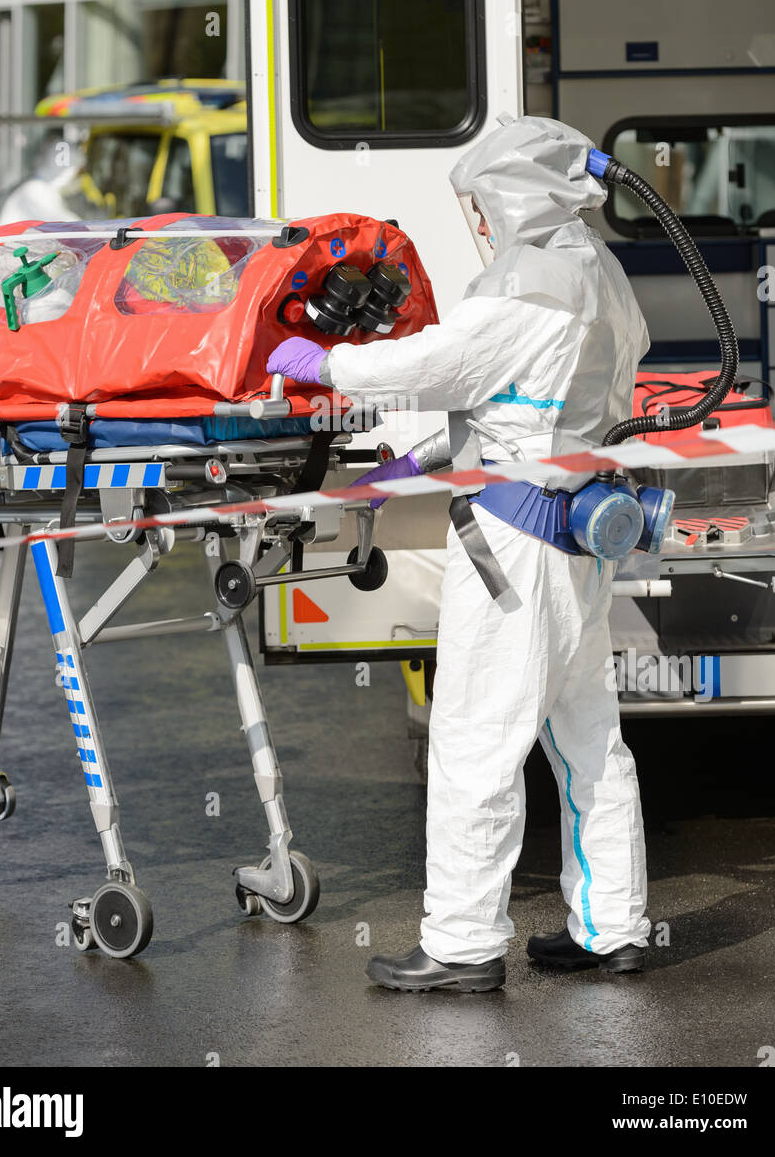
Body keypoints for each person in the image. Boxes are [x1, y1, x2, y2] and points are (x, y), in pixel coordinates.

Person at [267, 115, 652, 993]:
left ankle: (462, 945)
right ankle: (612, 926)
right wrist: (428, 459)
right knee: (586, 736)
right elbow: (531, 408)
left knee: (476, 738)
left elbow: (436, 365)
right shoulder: (600, 274)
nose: (477, 218)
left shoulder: (528, 286)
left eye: (481, 201)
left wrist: (325, 364)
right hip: (580, 531)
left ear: (515, 196)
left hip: (515, 544)